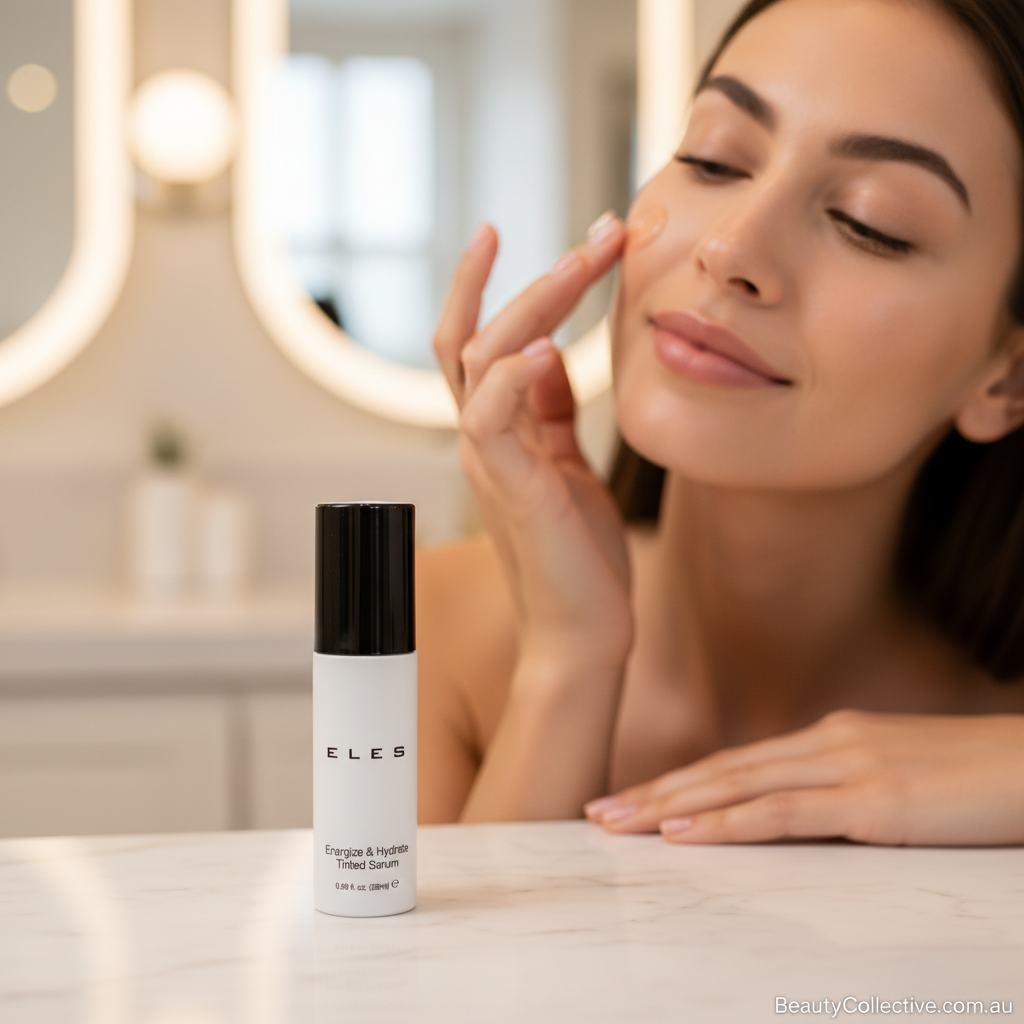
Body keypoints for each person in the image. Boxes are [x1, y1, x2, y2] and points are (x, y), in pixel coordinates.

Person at [417, 0, 1024, 845]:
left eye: (869, 223)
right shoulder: (435, 623)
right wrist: (568, 662)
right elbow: (420, 983)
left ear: (1011, 379)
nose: (730, 250)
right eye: (714, 159)